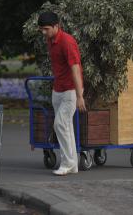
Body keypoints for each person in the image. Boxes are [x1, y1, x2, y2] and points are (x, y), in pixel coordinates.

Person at [37, 11, 87, 176]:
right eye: (41, 29)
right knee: (66, 127)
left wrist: (79, 96)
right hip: (57, 90)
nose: (44, 32)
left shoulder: (67, 42)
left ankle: (67, 163)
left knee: (60, 124)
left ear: (56, 26)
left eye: (46, 29)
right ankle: (72, 165)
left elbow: (75, 68)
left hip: (71, 91)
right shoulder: (50, 40)